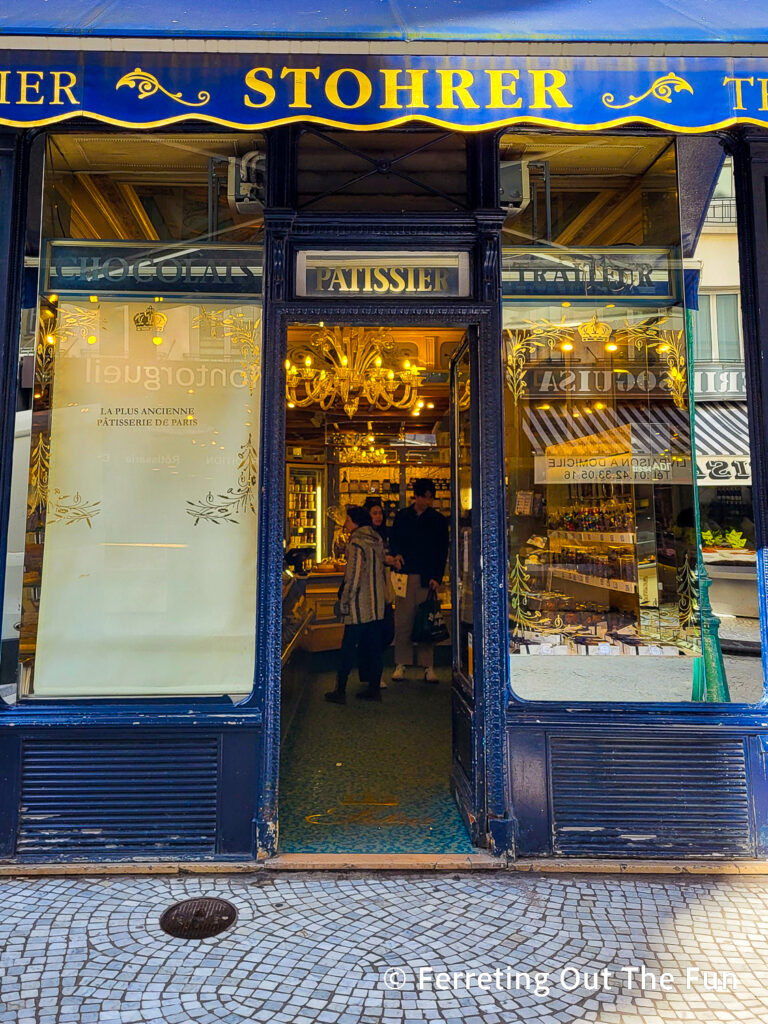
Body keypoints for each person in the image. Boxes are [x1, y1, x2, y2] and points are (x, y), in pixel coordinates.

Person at [388, 478, 449, 683]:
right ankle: (401, 663)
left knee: (426, 621)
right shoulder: (403, 517)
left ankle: (427, 666)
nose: (428, 501)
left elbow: (442, 551)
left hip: (426, 577)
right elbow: (393, 540)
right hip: (404, 575)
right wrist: (396, 555)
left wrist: (436, 577)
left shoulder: (438, 520)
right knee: (403, 621)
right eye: (426, 497)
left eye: (431, 497)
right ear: (417, 496)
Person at [325, 505, 388, 704]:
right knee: (374, 648)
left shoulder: (356, 543)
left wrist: (344, 601)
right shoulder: (376, 539)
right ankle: (374, 689)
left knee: (348, 647)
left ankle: (340, 690)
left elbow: (353, 576)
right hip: (377, 604)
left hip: (358, 606)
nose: (345, 523)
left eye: (348, 519)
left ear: (354, 521)